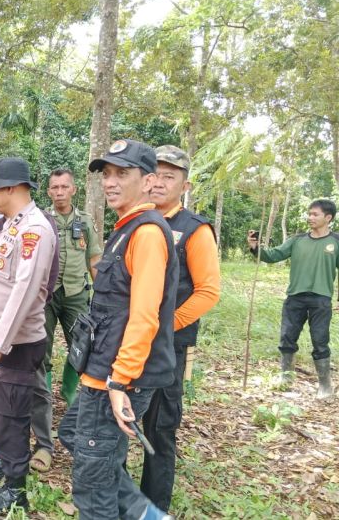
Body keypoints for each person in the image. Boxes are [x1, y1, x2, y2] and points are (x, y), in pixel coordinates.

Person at [57, 139, 178, 520]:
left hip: (117, 379)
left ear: (148, 181)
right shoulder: (125, 228)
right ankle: (148, 515)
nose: (110, 182)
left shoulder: (146, 234)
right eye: (107, 174)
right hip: (100, 372)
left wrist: (120, 382)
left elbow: (145, 316)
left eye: (121, 174)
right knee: (77, 438)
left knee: (93, 488)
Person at [0, 157, 56, 515]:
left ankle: (15, 488)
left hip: (16, 344)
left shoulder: (35, 229)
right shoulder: (9, 225)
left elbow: (26, 291)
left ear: (13, 188)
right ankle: (6, 460)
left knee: (12, 414)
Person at [141, 145, 221, 510]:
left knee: (159, 426)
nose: (159, 182)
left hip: (168, 344)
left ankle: (153, 507)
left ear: (184, 186)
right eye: (154, 174)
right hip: (132, 340)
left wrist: (167, 325)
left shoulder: (193, 229)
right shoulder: (139, 220)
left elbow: (208, 291)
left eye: (169, 176)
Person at [248, 198, 339, 399]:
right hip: (295, 298)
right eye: (309, 213)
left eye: (315, 214)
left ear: (328, 217)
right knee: (287, 338)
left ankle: (325, 386)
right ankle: (286, 377)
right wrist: (255, 247)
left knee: (320, 341)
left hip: (321, 300)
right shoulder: (297, 240)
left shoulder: (336, 242)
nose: (310, 217)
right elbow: (273, 255)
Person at [44, 169, 102, 406]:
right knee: (41, 346)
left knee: (79, 344)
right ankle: (44, 395)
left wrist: (103, 294)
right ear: (48, 191)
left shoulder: (85, 221)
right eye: (55, 187)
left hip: (76, 293)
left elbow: (94, 259)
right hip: (46, 294)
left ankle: (69, 393)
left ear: (73, 190)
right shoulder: (41, 219)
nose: (59, 192)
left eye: (64, 187)